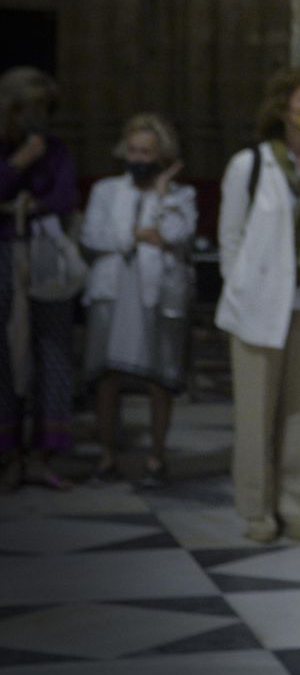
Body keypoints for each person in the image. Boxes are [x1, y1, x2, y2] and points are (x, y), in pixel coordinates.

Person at [215, 66, 300, 542]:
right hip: (258, 306)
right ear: (283, 108)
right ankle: (257, 509)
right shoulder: (250, 165)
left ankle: (294, 504)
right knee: (256, 414)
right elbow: (230, 238)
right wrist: (241, 289)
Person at [80, 113, 197, 487]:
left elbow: (177, 234)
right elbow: (93, 236)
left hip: (157, 293)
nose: (138, 158)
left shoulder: (180, 195)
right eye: (132, 150)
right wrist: (136, 234)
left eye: (146, 152)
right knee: (106, 376)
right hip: (113, 291)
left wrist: (162, 195)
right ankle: (107, 457)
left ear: (161, 155)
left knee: (159, 378)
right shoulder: (106, 190)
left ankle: (156, 459)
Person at [0, 66, 80, 492]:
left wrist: (26, 206)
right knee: (4, 354)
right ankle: (10, 454)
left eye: (45, 109)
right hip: (3, 253)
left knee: (53, 350)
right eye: (30, 109)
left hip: (47, 255)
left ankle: (43, 456)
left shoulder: (57, 150)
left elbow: (64, 196)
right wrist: (18, 164)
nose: (38, 118)